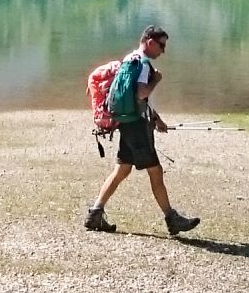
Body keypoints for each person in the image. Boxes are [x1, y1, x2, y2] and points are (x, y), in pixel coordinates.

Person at [83, 26, 199, 236]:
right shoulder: (144, 64)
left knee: (122, 170)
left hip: (127, 123)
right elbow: (140, 94)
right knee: (155, 170)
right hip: (136, 126)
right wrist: (156, 79)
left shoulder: (130, 59)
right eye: (161, 45)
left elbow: (138, 99)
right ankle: (172, 218)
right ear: (149, 42)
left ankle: (95, 213)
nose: (162, 51)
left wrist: (156, 119)